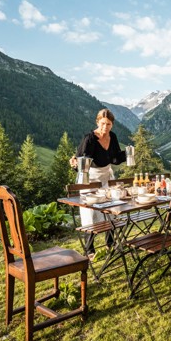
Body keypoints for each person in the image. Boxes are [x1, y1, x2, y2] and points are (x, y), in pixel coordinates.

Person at [70, 108, 126, 256]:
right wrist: (75, 164)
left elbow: (114, 158)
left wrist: (127, 154)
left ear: (112, 124)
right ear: (97, 122)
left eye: (108, 124)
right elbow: (81, 161)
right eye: (102, 123)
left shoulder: (112, 137)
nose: (105, 127)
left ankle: (110, 244)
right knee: (90, 212)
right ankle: (89, 249)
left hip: (107, 176)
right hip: (91, 179)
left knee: (112, 209)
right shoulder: (89, 139)